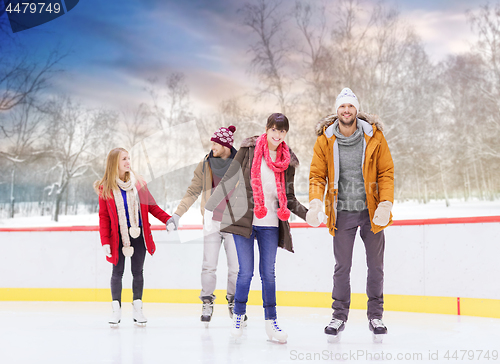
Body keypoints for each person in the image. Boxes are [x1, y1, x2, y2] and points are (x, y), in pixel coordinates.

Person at [204, 113, 307, 343]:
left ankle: (271, 323)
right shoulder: (249, 151)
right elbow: (229, 179)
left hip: (271, 224)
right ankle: (238, 315)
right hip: (244, 221)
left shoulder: (287, 160)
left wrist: (308, 215)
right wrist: (211, 209)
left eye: (282, 131)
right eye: (274, 129)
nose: (277, 135)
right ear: (267, 129)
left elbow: (289, 197)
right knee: (246, 273)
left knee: (268, 274)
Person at [307, 88, 394, 342]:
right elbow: (316, 175)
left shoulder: (373, 136)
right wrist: (315, 203)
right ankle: (339, 316)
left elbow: (386, 172)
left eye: (351, 106)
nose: (347, 110)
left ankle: (375, 315)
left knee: (375, 266)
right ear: (337, 111)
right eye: (342, 107)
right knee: (342, 267)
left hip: (371, 211)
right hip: (342, 212)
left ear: (356, 110)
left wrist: (385, 204)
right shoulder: (325, 139)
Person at [166, 126, 239, 325]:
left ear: (226, 145)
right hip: (211, 223)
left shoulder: (240, 164)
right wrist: (177, 214)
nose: (212, 147)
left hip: (234, 224)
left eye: (215, 144)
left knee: (235, 268)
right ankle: (207, 301)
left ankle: (234, 302)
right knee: (208, 267)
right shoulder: (206, 164)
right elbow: (192, 191)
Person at [94, 147, 171, 327]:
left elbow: (151, 206)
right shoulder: (105, 189)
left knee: (137, 272)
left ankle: (138, 309)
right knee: (117, 273)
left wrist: (168, 219)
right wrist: (105, 240)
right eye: (124, 159)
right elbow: (103, 217)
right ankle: (116, 311)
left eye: (128, 158)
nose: (128, 162)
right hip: (117, 237)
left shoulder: (139, 184)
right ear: (115, 164)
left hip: (138, 235)